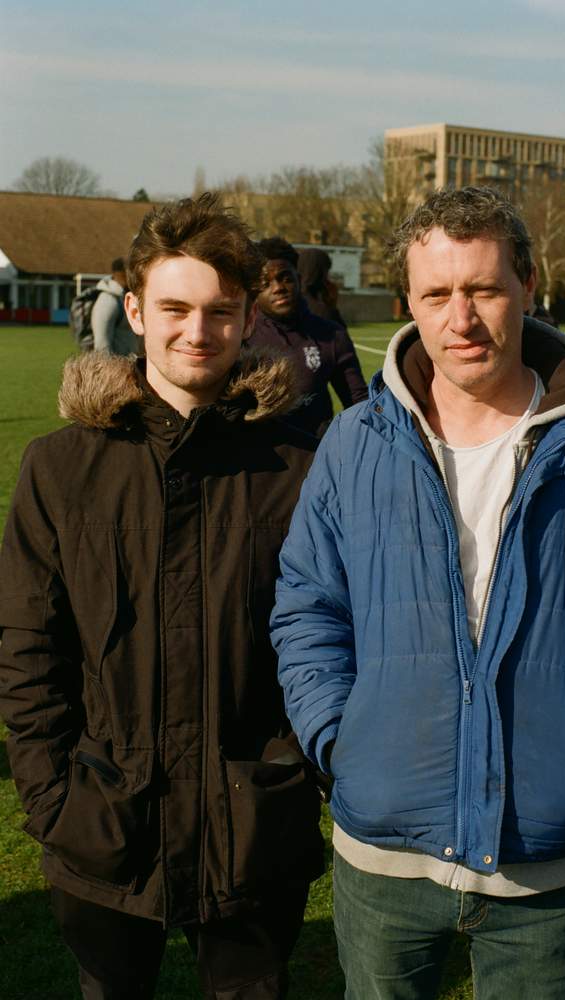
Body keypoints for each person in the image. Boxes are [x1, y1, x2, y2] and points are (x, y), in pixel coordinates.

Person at [271, 187, 565, 1000]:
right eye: (436, 294)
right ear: (409, 301)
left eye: (483, 289)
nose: (462, 318)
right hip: (384, 849)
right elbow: (308, 606)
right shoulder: (355, 443)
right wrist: (342, 739)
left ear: (526, 282)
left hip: (543, 855)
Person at [0, 194, 323, 1000]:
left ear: (249, 318)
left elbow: (333, 642)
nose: (197, 330)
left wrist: (295, 772)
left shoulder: (298, 470)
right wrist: (52, 796)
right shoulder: (61, 467)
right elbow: (26, 646)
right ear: (136, 311)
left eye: (220, 310)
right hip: (104, 823)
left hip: (253, 826)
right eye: (175, 307)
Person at [249, 237, 367, 437]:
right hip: (263, 460)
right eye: (265, 283)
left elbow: (358, 402)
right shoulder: (243, 337)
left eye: (285, 277)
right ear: (254, 291)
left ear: (299, 278)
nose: (278, 287)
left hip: (318, 454)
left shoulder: (331, 334)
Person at [91, 257, 140, 355]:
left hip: (129, 365)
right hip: (116, 367)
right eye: (131, 271)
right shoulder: (107, 300)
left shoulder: (122, 296)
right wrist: (108, 369)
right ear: (120, 273)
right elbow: (102, 345)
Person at [296, 246, 347, 328]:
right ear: (320, 274)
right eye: (326, 272)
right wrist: (332, 308)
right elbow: (341, 336)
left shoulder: (289, 302)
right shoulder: (321, 312)